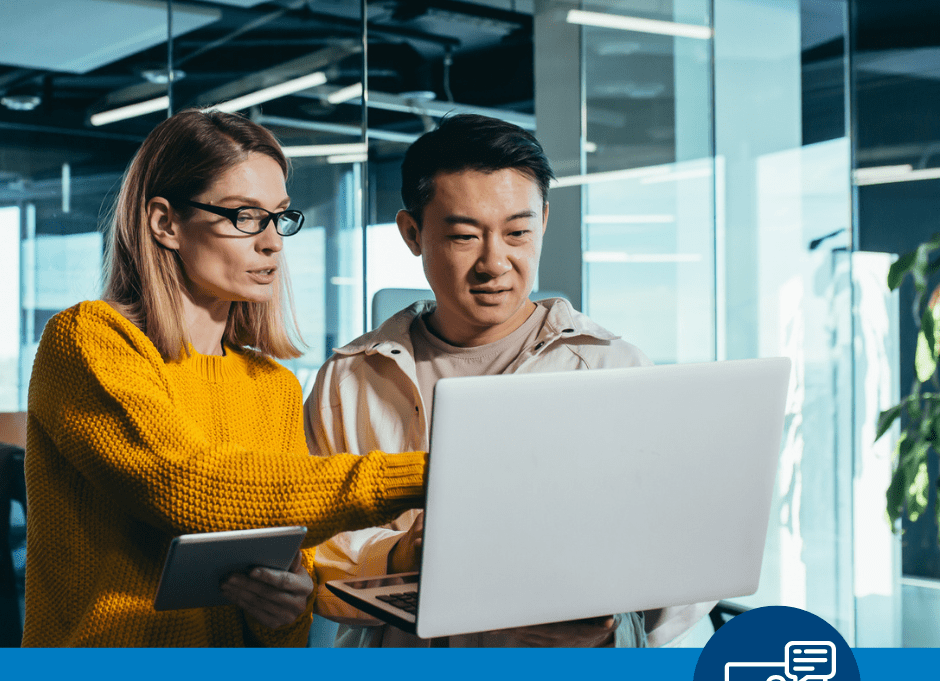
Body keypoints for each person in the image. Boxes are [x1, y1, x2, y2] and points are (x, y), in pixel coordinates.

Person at [22, 109, 427, 648]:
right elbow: (186, 486)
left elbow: (285, 623)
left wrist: (283, 606)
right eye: (243, 216)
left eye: (278, 217)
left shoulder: (273, 386)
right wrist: (429, 472)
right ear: (164, 223)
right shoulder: (89, 340)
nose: (273, 243)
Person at [305, 114, 712, 647]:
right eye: (464, 236)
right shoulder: (350, 381)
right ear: (411, 233)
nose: (495, 262)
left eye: (518, 232)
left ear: (543, 220)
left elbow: (687, 572)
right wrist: (403, 557)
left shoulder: (613, 369)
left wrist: (610, 606)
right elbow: (310, 555)